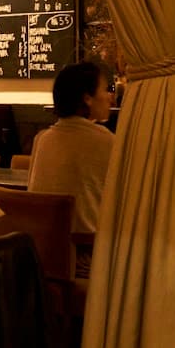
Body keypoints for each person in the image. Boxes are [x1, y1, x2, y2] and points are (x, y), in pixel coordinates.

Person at [28, 60, 115, 234]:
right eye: (106, 89)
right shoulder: (107, 141)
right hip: (86, 254)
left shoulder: (42, 139)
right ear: (87, 98)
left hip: (42, 251)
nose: (110, 96)